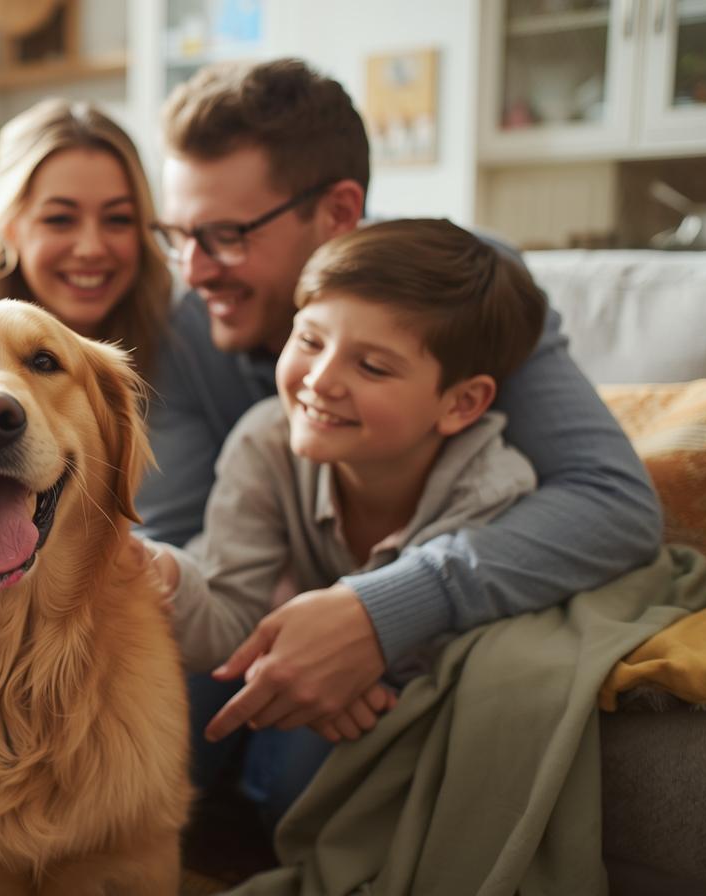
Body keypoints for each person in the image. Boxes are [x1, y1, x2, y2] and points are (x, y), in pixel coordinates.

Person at [138, 58, 663, 821]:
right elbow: (190, 551)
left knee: (300, 776)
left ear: (338, 211)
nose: (194, 270)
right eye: (177, 235)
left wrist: (376, 613)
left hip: (405, 632)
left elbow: (612, 502)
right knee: (147, 697)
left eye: (224, 235)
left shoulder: (463, 295)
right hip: (261, 598)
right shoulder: (187, 330)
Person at [162, 218, 549, 817]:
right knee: (176, 707)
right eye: (310, 341)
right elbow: (229, 616)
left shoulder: (490, 489)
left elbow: (453, 647)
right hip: (292, 643)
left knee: (294, 784)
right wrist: (167, 578)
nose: (319, 381)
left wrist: (357, 673)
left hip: (390, 683)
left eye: (371, 367)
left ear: (461, 403)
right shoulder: (265, 440)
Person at [0, 97, 172, 377]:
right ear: (8, 227)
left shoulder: (169, 322)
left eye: (118, 219)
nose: (91, 248)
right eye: (60, 219)